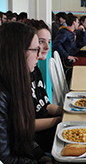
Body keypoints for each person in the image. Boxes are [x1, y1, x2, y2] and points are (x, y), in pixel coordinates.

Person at [0, 22, 52, 163]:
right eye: (35, 49)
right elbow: (5, 157)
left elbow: (23, 132)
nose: (39, 54)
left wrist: (41, 157)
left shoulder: (18, 81)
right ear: (18, 52)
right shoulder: (3, 93)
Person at [25, 19, 63, 152]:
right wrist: (60, 120)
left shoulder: (35, 70)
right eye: (41, 42)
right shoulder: (20, 78)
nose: (47, 47)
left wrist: (66, 112)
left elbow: (45, 105)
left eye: (49, 41)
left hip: (47, 125)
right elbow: (26, 126)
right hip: (37, 137)